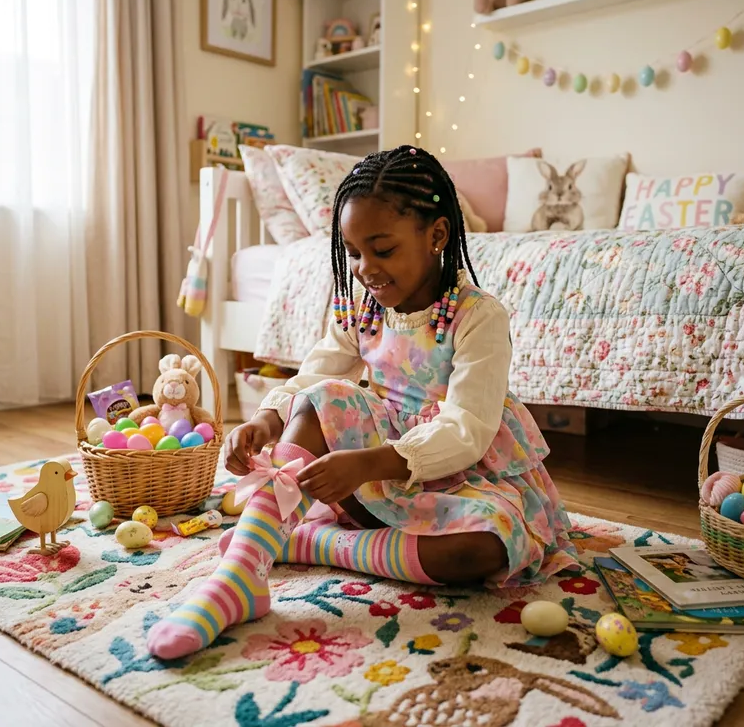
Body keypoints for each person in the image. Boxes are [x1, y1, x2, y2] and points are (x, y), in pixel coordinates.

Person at [148, 145, 578, 660]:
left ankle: (307, 542)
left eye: (383, 249)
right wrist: (266, 418)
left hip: (457, 468)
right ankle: (239, 575)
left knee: (486, 549)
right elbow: (315, 374)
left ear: (437, 235)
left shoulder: (478, 316)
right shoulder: (360, 310)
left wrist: (372, 462)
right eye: (353, 252)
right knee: (320, 398)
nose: (365, 268)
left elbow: (467, 428)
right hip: (376, 471)